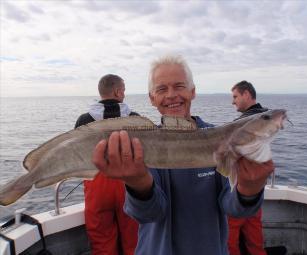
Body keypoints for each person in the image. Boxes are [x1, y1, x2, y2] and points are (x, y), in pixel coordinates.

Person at [92, 55, 275, 255]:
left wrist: (249, 189)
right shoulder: (139, 145)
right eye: (161, 89)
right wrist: (138, 184)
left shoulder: (220, 140)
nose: (171, 95)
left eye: (179, 86)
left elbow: (235, 208)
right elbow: (148, 214)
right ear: (152, 98)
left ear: (193, 92)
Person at [75, 74, 138, 255]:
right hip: (128, 183)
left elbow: (77, 153)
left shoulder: (84, 120)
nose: (124, 94)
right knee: (133, 235)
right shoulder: (134, 119)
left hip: (96, 183)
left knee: (101, 237)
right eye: (123, 90)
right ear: (118, 91)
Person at [228, 80, 268, 255]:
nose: (233, 101)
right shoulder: (265, 118)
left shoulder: (248, 122)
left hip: (240, 186)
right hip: (256, 188)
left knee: (230, 241)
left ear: (246, 94)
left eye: (235, 96)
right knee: (254, 239)